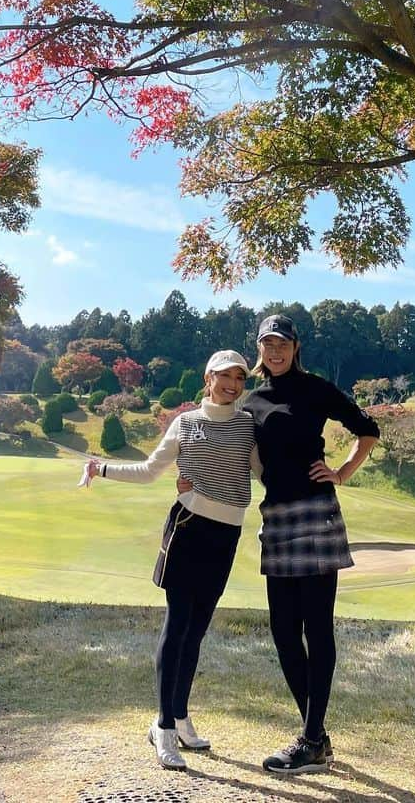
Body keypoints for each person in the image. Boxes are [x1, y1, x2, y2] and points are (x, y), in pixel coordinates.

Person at [82, 349, 259, 771]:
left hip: (226, 534)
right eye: (225, 376)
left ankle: (180, 716)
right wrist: (100, 468)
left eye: (240, 377)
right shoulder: (186, 423)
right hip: (187, 528)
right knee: (178, 625)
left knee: (197, 631)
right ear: (208, 377)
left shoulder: (248, 426)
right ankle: (162, 726)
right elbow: (148, 471)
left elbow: (264, 471)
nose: (233, 384)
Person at [245, 313, 379, 775]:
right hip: (277, 517)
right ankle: (317, 736)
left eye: (282, 343)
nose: (275, 351)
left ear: (295, 347)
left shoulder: (317, 389)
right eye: (267, 344)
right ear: (259, 348)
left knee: (316, 628)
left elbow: (368, 430)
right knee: (284, 633)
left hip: (317, 515)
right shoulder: (252, 400)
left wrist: (341, 472)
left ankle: (309, 737)